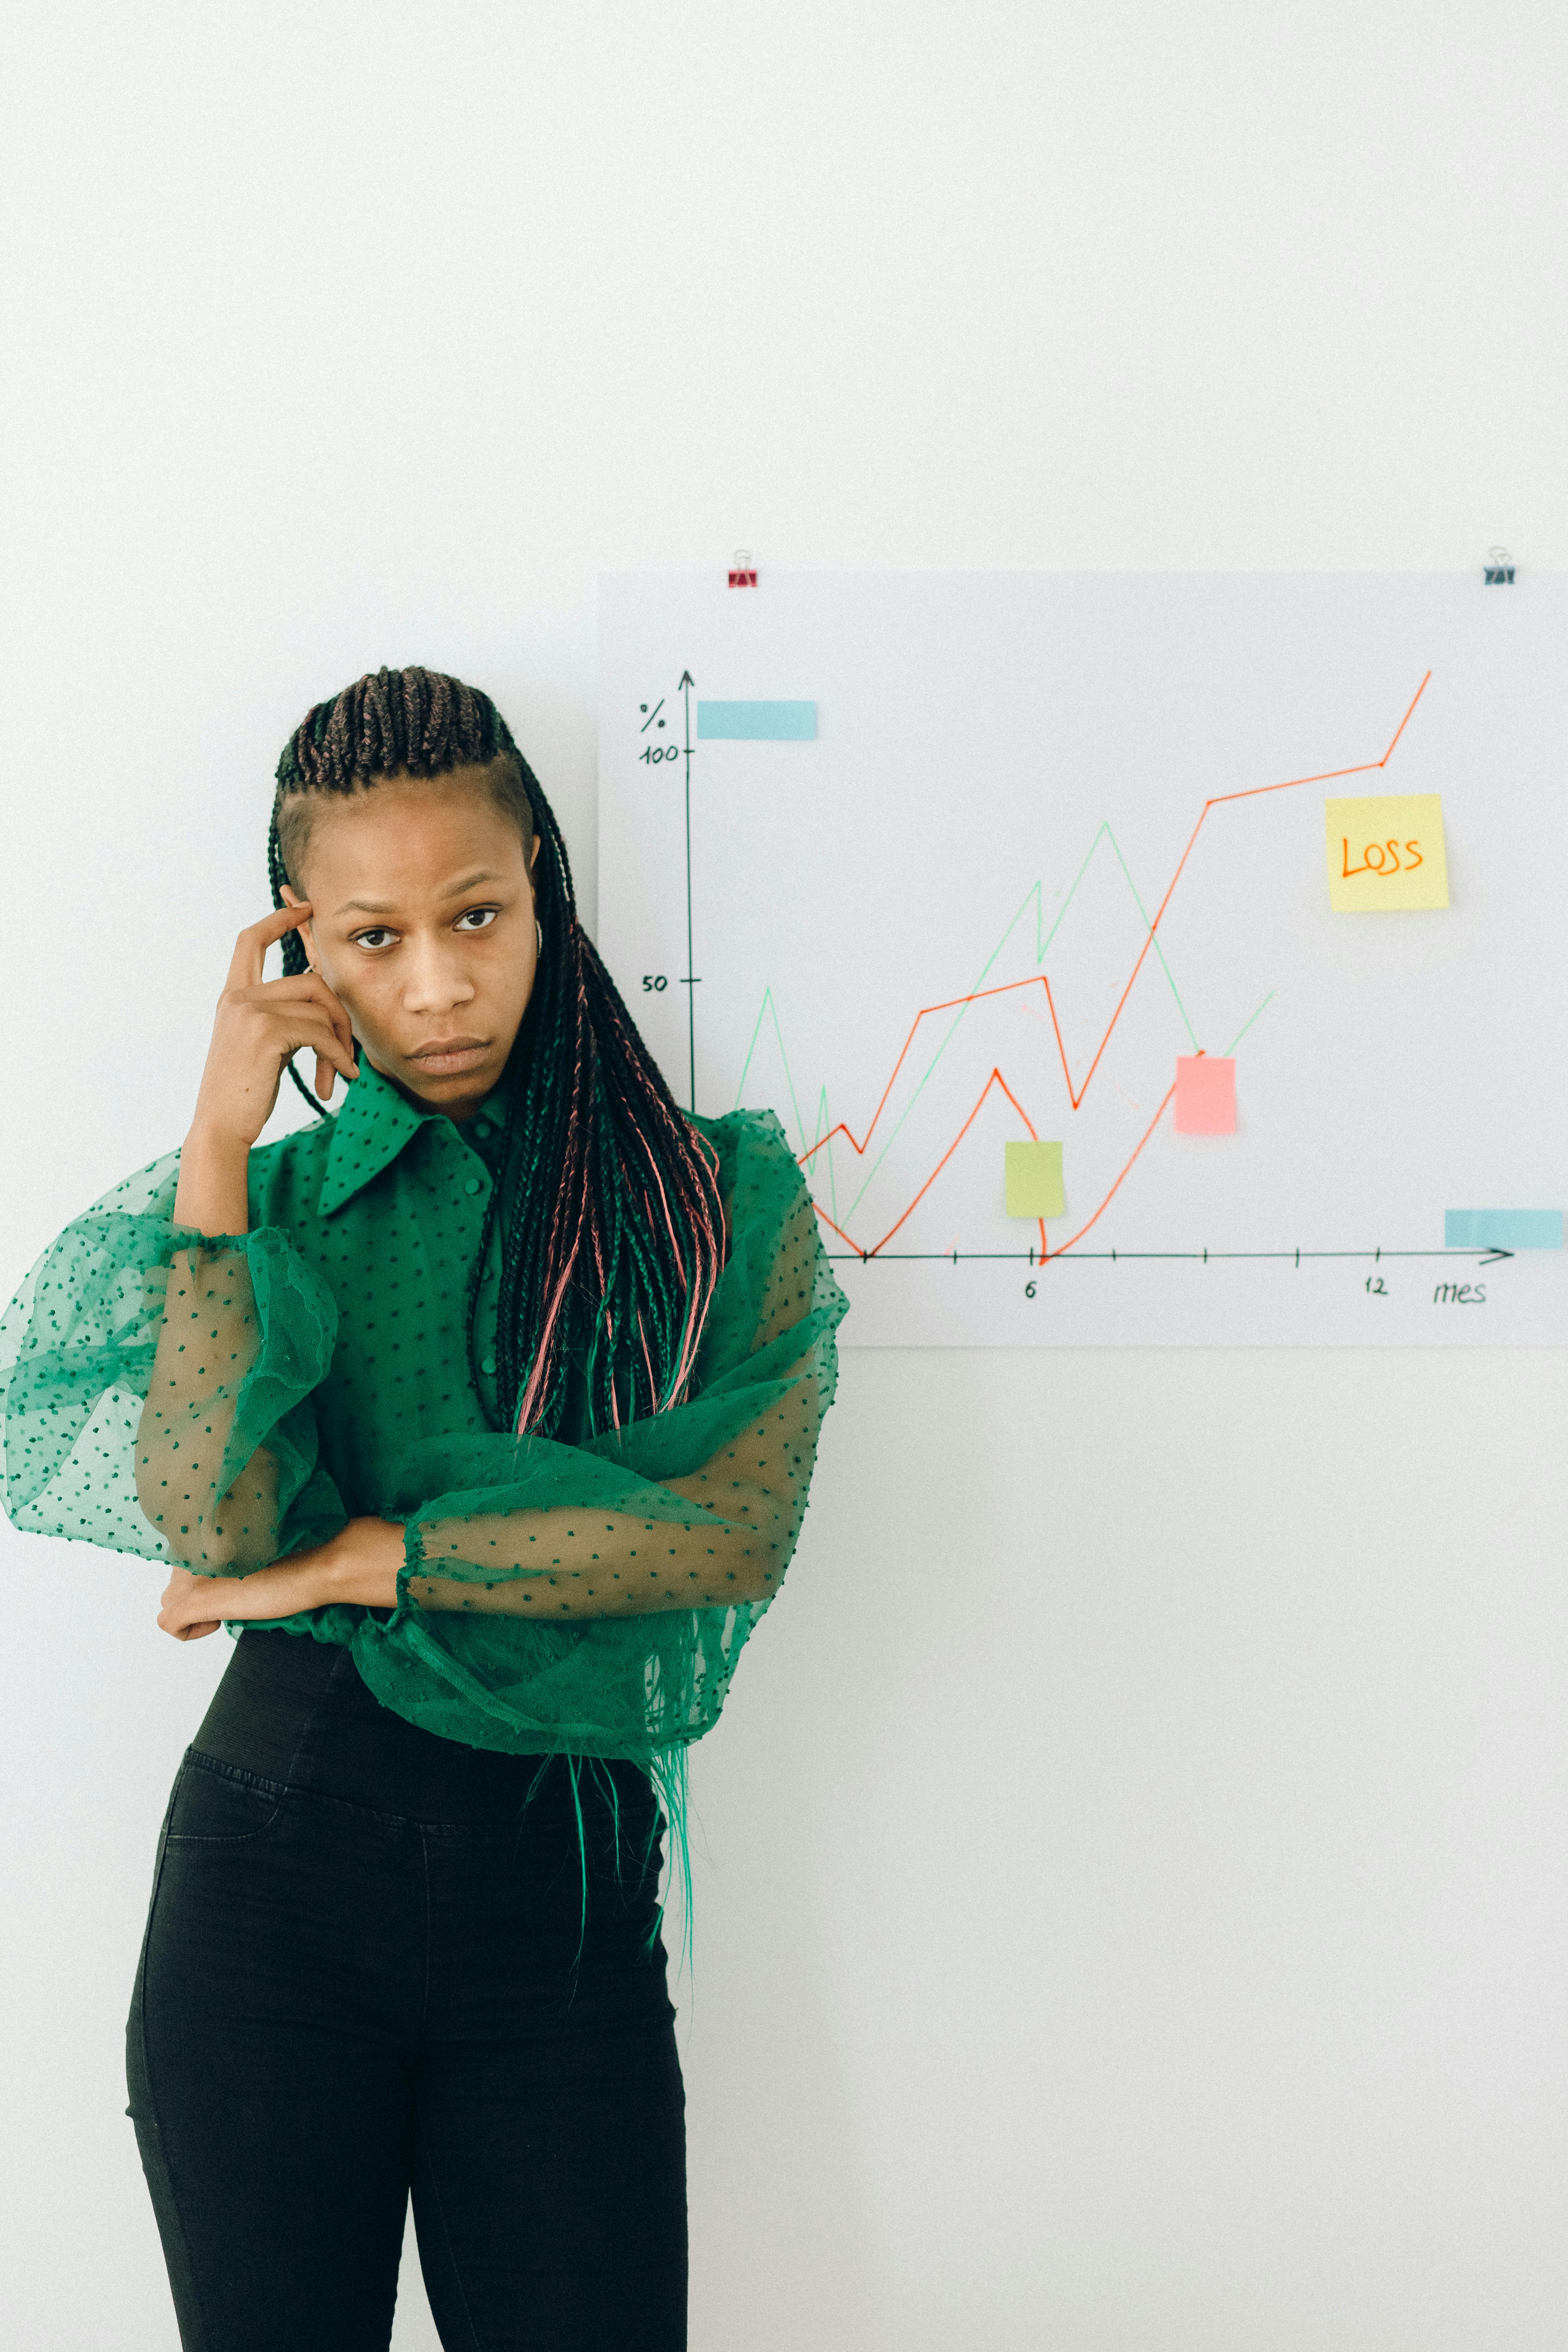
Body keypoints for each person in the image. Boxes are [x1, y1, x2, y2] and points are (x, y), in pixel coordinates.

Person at [0, 666, 846, 2352]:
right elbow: (212, 1523)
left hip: (565, 1931)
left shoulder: (718, 1199)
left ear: (545, 880)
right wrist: (224, 1142)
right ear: (298, 944)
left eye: (478, 913)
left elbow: (727, 1529)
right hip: (270, 1908)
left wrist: (378, 1556)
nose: (443, 986)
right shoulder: (288, 1209)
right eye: (374, 940)